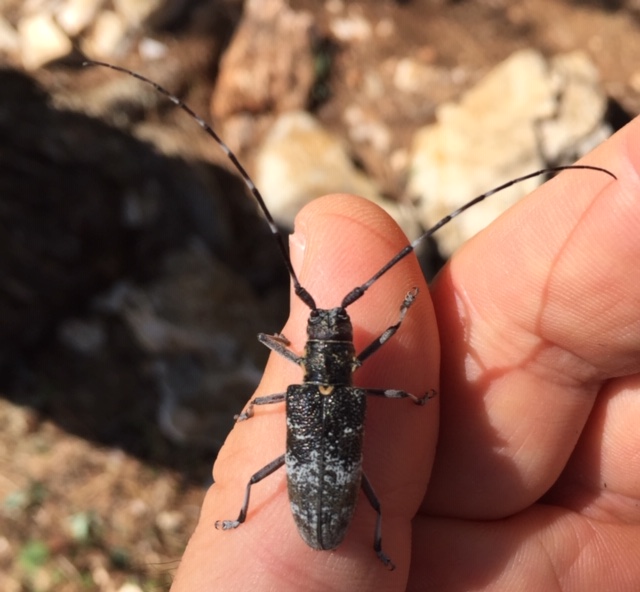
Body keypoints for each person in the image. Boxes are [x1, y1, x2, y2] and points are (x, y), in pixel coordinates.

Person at [170, 116, 640, 591]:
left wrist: (255, 402)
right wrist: (404, 336)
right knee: (362, 495)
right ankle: (372, 544)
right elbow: (390, 368)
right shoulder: (349, 394)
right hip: (329, 508)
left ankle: (252, 521)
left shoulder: (298, 395)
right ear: (340, 350)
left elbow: (276, 383)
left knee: (258, 479)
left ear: (312, 352)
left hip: (320, 506)